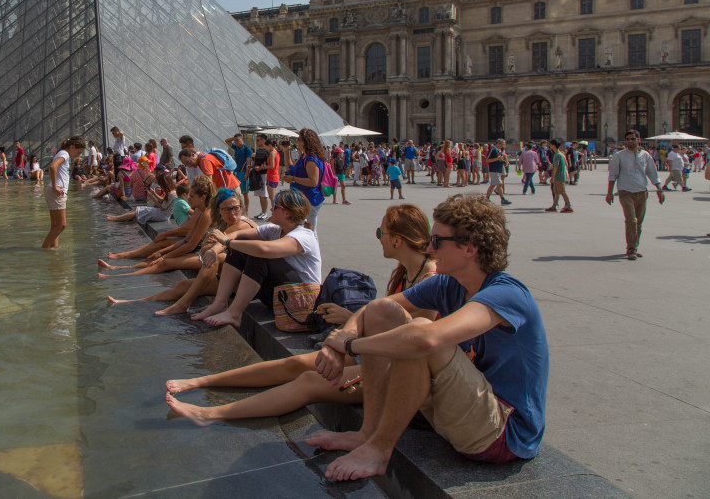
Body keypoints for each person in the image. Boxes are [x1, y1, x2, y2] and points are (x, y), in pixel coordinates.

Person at [309, 194, 549, 481]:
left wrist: (349, 345)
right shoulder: (449, 284)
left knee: (422, 333)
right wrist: (342, 338)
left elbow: (427, 341)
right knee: (384, 311)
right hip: (460, 411)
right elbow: (372, 312)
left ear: (470, 247)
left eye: (438, 241)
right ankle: (368, 434)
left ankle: (379, 450)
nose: (430, 248)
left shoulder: (507, 294)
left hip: (502, 432)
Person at [165, 203, 437, 423]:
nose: (378, 239)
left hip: (394, 369)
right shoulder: (407, 272)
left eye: (381, 234)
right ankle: (200, 381)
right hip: (377, 353)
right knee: (293, 364)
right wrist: (348, 319)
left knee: (309, 380)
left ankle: (209, 413)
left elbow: (413, 338)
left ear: (398, 240)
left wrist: (350, 339)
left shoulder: (429, 279)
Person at [107, 188, 256, 314]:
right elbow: (194, 241)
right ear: (219, 211)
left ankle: (183, 304)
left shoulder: (241, 225)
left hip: (244, 282)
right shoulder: (218, 223)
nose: (232, 213)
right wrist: (207, 248)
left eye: (236, 208)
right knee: (183, 285)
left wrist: (211, 249)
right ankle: (132, 302)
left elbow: (216, 246)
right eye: (227, 209)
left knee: (211, 258)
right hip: (229, 277)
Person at [191, 189, 321, 328]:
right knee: (243, 243)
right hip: (281, 295)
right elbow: (237, 235)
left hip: (301, 300)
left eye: (275, 206)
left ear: (287, 213)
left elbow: (264, 250)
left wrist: (228, 243)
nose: (271, 208)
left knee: (259, 255)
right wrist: (214, 249)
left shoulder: (304, 235)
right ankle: (220, 303)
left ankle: (234, 313)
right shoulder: (275, 229)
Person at [98, 176, 214, 276]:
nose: (188, 198)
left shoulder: (206, 214)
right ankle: (122, 266)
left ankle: (122, 271)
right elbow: (187, 239)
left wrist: (163, 255)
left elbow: (190, 243)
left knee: (163, 260)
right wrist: (161, 253)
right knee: (158, 254)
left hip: (203, 252)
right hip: (196, 245)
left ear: (202, 198)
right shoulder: (200, 211)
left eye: (191, 196)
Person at [606, 130, 665, 260]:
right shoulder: (619, 156)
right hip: (625, 191)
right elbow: (613, 175)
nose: (630, 141)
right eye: (627, 139)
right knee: (631, 220)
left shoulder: (646, 156)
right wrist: (609, 193)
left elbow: (652, 173)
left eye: (632, 139)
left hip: (642, 192)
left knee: (639, 222)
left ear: (639, 140)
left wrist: (659, 189)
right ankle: (631, 250)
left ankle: (634, 246)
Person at [42, 136, 86, 250]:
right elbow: (52, 167)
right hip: (56, 193)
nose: (79, 155)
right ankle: (44, 249)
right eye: (78, 152)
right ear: (72, 147)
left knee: (55, 226)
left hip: (52, 192)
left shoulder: (62, 153)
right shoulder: (65, 154)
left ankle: (54, 251)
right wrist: (56, 186)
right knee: (61, 225)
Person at [281, 128, 326, 229]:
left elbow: (313, 181)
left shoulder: (311, 160)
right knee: (302, 229)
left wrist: (293, 179)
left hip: (309, 199)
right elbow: (290, 168)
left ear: (306, 141)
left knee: (308, 231)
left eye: (299, 139)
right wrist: (286, 151)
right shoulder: (303, 157)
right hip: (303, 198)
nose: (297, 141)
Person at [226, 133, 253, 215]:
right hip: (236, 172)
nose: (237, 142)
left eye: (238, 140)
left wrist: (247, 174)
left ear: (242, 140)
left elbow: (249, 163)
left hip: (243, 172)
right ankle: (239, 209)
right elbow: (227, 141)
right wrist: (234, 138)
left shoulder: (247, 149)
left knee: (245, 193)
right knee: (236, 192)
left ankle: (246, 211)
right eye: (235, 140)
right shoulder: (236, 147)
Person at [544, 139, 573, 213]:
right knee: (556, 191)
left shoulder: (557, 155)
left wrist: (552, 177)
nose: (549, 146)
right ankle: (554, 205)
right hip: (560, 176)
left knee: (562, 191)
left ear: (553, 145)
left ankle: (569, 206)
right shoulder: (561, 154)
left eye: (550, 144)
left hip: (559, 176)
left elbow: (556, 167)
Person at [484, 139, 512, 206]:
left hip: (498, 169)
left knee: (493, 185)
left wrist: (504, 161)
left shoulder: (499, 150)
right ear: (498, 143)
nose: (503, 146)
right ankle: (502, 199)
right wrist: (497, 159)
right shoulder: (493, 149)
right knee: (499, 184)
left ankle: (487, 198)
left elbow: (499, 159)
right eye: (502, 144)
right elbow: (487, 160)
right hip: (494, 169)